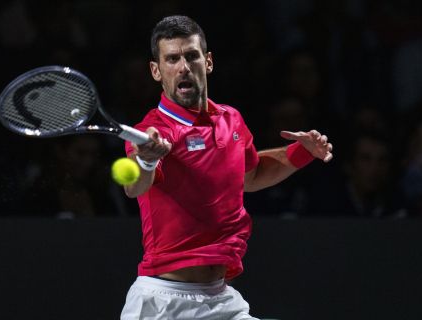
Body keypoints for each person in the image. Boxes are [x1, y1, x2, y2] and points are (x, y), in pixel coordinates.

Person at [120, 15, 333, 320]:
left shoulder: (230, 119)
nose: (183, 67)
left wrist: (302, 153)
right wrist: (147, 158)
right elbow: (134, 186)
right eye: (172, 59)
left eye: (191, 56)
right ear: (156, 70)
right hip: (163, 303)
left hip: (220, 301)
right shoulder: (151, 131)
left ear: (207, 62)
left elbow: (252, 175)